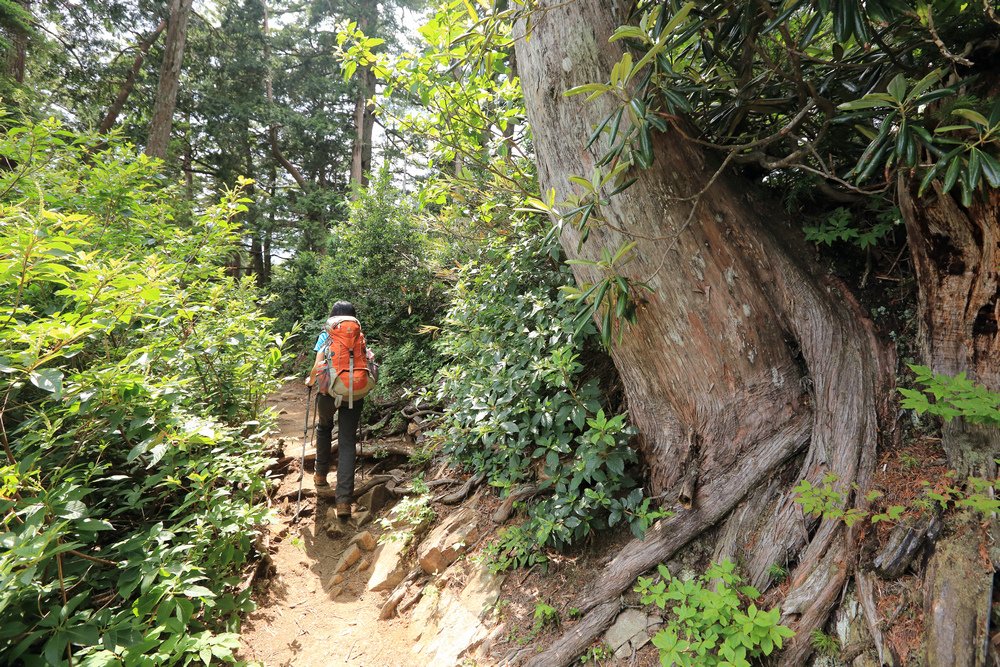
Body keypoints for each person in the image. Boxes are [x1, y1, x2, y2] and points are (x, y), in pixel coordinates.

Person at [305, 300, 365, 520]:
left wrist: (310, 381)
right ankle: (343, 502)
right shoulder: (359, 337)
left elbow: (318, 365)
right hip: (354, 393)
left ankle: (321, 475)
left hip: (329, 393)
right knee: (348, 441)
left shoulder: (327, 336)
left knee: (324, 428)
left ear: (332, 317)